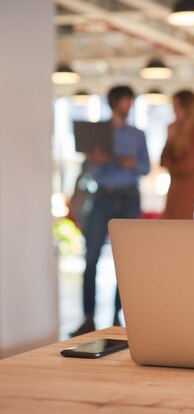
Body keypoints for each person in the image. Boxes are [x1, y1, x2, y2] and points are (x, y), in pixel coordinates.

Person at [70, 85, 150, 337]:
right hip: (102, 196)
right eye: (126, 101)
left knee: (124, 260)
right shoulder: (98, 132)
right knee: (91, 256)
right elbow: (90, 170)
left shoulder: (137, 134)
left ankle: (118, 315)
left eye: (131, 101)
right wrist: (96, 162)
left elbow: (145, 167)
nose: (129, 105)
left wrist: (131, 164)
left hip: (129, 197)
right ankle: (88, 318)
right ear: (115, 103)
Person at [160, 90, 194, 219]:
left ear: (187, 108)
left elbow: (190, 166)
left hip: (189, 191)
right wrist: (169, 138)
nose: (174, 111)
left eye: (176, 107)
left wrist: (172, 166)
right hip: (175, 190)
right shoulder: (177, 130)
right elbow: (163, 161)